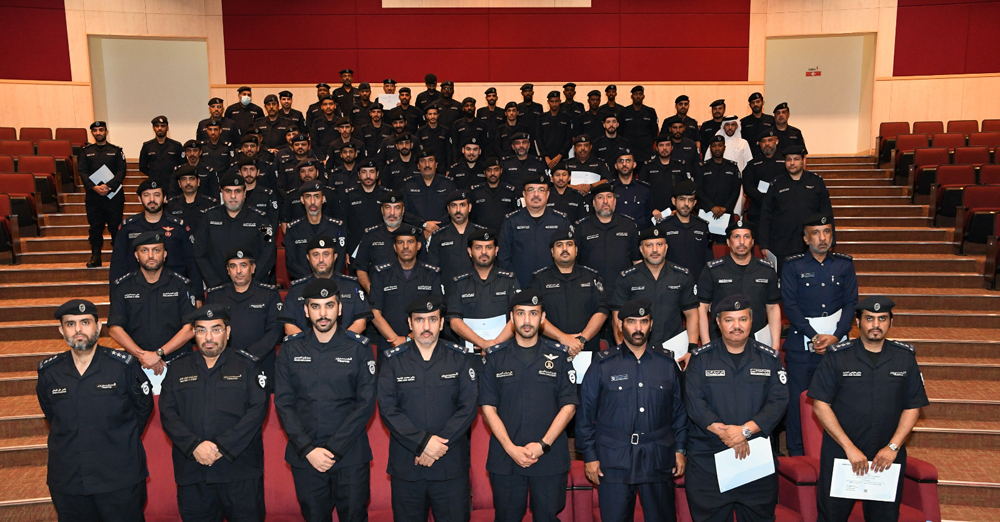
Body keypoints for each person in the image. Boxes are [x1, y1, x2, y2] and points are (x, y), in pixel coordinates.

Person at [808, 296, 929, 522]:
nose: (876, 324)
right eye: (869, 318)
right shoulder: (838, 356)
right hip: (842, 455)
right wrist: (849, 448)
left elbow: (913, 406)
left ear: (891, 322)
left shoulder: (904, 358)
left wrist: (893, 447)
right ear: (858, 322)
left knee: (884, 518)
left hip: (887, 457)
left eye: (882, 319)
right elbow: (820, 405)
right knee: (831, 517)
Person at [38, 299, 153, 522]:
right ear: (61, 331)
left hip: (119, 477)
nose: (78, 329)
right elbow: (52, 414)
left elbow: (143, 409)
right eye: (70, 324)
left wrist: (119, 438)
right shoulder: (49, 372)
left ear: (98, 327)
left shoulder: (123, 366)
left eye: (85, 322)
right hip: (69, 479)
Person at [274, 278, 377, 522]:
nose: (323, 313)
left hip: (350, 455)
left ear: (339, 309)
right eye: (316, 306)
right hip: (306, 457)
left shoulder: (358, 348)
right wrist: (309, 450)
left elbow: (365, 404)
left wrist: (332, 450)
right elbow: (284, 404)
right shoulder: (290, 350)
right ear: (306, 310)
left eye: (329, 305)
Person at [577, 298, 688, 522]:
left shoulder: (667, 363)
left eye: (644, 321)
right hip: (613, 459)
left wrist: (680, 449)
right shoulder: (603, 364)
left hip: (658, 457)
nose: (638, 328)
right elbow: (585, 414)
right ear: (620, 325)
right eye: (631, 322)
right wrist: (589, 456)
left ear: (651, 324)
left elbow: (680, 411)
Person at [159, 304, 269, 522]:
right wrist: (194, 446)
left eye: (216, 329)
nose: (208, 337)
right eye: (201, 330)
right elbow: (167, 413)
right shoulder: (177, 368)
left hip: (239, 472)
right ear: (194, 333)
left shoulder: (247, 366)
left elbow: (257, 412)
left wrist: (222, 446)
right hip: (193, 472)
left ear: (227, 332)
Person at [684, 294, 789, 522]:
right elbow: (694, 402)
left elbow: (778, 401)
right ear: (718, 322)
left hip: (755, 461)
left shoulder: (769, 359)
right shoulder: (700, 359)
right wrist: (727, 433)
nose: (736, 326)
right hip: (708, 462)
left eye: (742, 319)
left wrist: (744, 431)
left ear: (752, 321)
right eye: (729, 320)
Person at [479, 289, 579, 522]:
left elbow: (569, 407)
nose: (526, 320)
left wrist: (542, 445)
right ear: (511, 318)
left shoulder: (560, 356)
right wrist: (511, 448)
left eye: (533, 313)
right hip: (505, 458)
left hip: (549, 458)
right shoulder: (494, 358)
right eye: (520, 313)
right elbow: (487, 409)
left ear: (542, 318)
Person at [378, 296, 480, 522]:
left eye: (432, 319)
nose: (426, 326)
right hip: (407, 467)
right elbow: (388, 409)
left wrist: (437, 446)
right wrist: (423, 443)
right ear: (410, 323)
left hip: (450, 465)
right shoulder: (393, 361)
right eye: (419, 320)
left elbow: (469, 406)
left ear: (442, 323)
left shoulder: (460, 358)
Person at [781, 213, 858, 457]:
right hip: (802, 347)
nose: (822, 238)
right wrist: (814, 336)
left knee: (839, 400)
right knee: (799, 402)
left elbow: (851, 303)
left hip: (837, 346)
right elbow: (790, 305)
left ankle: (837, 452)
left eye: (826, 232)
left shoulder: (844, 264)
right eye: (815, 233)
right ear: (806, 238)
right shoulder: (793, 266)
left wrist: (836, 336)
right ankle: (797, 453)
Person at [108, 231, 197, 392]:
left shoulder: (181, 285)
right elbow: (115, 329)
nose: (150, 255)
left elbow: (190, 328)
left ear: (165, 254)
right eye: (144, 250)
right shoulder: (123, 287)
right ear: (136, 255)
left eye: (156, 250)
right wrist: (144, 356)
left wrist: (158, 354)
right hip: (137, 364)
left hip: (178, 363)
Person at [610, 227, 699, 365]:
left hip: (674, 349)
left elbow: (692, 314)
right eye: (649, 245)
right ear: (641, 249)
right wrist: (625, 353)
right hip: (637, 350)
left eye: (659, 244)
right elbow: (617, 319)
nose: (655, 250)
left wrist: (691, 349)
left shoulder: (682, 276)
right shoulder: (627, 278)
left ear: (666, 247)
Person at [205, 248, 284, 390]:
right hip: (224, 365)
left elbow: (275, 330)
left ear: (252, 268)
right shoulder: (215, 296)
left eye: (243, 265)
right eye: (233, 266)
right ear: (228, 270)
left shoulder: (269, 294)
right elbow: (209, 331)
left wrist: (248, 355)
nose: (238, 271)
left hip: (261, 364)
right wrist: (230, 357)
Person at [696, 219, 781, 346]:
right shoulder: (713, 270)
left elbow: (773, 309)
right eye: (736, 237)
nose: (742, 241)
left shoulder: (766, 270)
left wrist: (775, 345)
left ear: (752, 241)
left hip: (758, 342)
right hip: (720, 342)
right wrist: (706, 344)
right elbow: (702, 308)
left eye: (746, 236)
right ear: (728, 242)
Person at [109, 179, 201, 295]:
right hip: (136, 291)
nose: (152, 199)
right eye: (146, 195)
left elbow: (191, 262)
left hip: (174, 291)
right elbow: (118, 264)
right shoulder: (128, 227)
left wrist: (197, 295)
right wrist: (115, 296)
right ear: (139, 199)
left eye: (157, 195)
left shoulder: (178, 227)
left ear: (164, 198)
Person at [528, 229, 609, 355]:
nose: (564, 249)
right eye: (559, 245)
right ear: (552, 251)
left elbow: (602, 311)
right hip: (549, 349)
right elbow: (533, 313)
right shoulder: (539, 279)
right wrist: (563, 338)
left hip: (585, 349)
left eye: (569, 244)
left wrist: (581, 340)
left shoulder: (591, 276)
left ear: (576, 250)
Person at [369, 226, 444, 353]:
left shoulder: (431, 274)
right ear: (395, 247)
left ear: (418, 246)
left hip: (423, 343)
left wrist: (409, 338)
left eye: (410, 242)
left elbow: (437, 312)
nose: (405, 246)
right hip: (389, 344)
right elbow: (375, 313)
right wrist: (395, 339)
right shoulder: (382, 274)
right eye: (400, 242)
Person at [759, 145, 833, 274]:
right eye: (789, 159)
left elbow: (827, 213)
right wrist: (764, 244)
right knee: (785, 281)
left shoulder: (816, 182)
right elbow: (766, 215)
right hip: (782, 244)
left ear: (803, 160)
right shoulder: (776, 184)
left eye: (796, 159)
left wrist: (831, 241)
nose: (792, 163)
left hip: (811, 245)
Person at [194, 173, 276, 289]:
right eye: (228, 191)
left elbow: (269, 251)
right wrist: (215, 283)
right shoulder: (209, 217)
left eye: (237, 191)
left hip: (253, 288)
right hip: (218, 288)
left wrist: (250, 281)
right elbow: (199, 253)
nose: (233, 196)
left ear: (245, 193)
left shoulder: (260, 219)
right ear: (221, 192)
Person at [445, 229, 518, 352]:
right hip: (469, 353)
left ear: (496, 251)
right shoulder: (459, 283)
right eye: (478, 247)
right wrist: (483, 344)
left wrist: (495, 345)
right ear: (470, 252)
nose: (484, 252)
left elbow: (518, 316)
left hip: (504, 351)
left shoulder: (509, 280)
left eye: (489, 247)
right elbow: (454, 321)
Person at [498, 175, 571, 287]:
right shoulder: (511, 221)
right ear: (524, 194)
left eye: (541, 190)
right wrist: (511, 284)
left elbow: (569, 257)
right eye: (531, 190)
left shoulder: (561, 221)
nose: (536, 194)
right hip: (520, 285)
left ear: (548, 194)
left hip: (554, 286)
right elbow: (503, 258)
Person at [573, 184, 641, 302]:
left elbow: (637, 261)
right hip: (589, 292)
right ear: (593, 203)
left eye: (609, 196)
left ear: (615, 201)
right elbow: (574, 263)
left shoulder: (628, 225)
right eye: (600, 197)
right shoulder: (582, 227)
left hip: (622, 292)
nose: (605, 201)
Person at [79, 121, 126, 268]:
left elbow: (121, 171)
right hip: (94, 197)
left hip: (113, 197)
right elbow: (82, 171)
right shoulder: (86, 152)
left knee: (115, 227)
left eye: (101, 130)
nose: (98, 133)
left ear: (106, 132)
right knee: (95, 227)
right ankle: (96, 256)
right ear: (92, 133)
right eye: (95, 130)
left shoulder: (116, 151)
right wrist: (93, 187)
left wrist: (109, 186)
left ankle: (118, 257)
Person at [283, 180, 347, 280]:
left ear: (323, 199)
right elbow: (291, 263)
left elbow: (340, 259)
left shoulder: (337, 227)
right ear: (302, 200)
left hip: (332, 283)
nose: (312, 202)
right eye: (308, 197)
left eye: (317, 196)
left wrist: (327, 278)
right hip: (303, 283)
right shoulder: (293, 229)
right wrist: (313, 280)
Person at [354, 191, 412, 292]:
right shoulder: (370, 235)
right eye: (388, 207)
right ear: (382, 210)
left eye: (397, 208)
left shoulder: (414, 235)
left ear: (403, 210)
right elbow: (361, 269)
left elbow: (423, 269)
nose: (392, 213)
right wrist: (373, 293)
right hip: (378, 293)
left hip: (408, 294)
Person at [426, 190, 485, 287]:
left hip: (478, 290)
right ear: (448, 209)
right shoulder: (439, 236)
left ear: (469, 207)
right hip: (449, 291)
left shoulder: (480, 234)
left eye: (462, 205)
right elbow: (432, 270)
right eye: (454, 206)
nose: (458, 210)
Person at [657, 180, 713, 281]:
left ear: (695, 203)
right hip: (670, 282)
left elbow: (708, 258)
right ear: (674, 201)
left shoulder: (702, 226)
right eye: (682, 199)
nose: (686, 204)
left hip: (697, 281)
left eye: (690, 200)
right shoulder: (663, 227)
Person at [696, 135, 742, 242]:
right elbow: (698, 190)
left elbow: (736, 190)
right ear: (710, 148)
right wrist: (712, 207)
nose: (717, 148)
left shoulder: (732, 167)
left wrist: (725, 208)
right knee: (704, 244)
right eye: (714, 146)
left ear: (724, 148)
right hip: (707, 213)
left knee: (726, 244)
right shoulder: (702, 167)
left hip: (726, 214)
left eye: (720, 145)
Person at [741, 128, 784, 238]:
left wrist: (775, 198)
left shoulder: (785, 162)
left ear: (776, 141)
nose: (767, 144)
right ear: (759, 144)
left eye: (770, 140)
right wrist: (763, 198)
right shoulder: (753, 164)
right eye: (763, 141)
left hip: (781, 209)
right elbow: (747, 185)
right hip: (758, 210)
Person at [403, 150, 457, 238]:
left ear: (436, 164)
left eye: (430, 160)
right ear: (418, 166)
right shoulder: (409, 185)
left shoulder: (448, 184)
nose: (427, 164)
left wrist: (434, 228)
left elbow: (454, 209)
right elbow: (404, 211)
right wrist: (423, 224)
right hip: (416, 235)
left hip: (444, 233)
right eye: (423, 161)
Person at [341, 159, 390, 254]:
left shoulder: (386, 195)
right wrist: (345, 250)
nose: (368, 176)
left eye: (372, 172)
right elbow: (344, 224)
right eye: (364, 172)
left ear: (377, 174)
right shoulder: (349, 195)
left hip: (382, 246)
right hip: (355, 247)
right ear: (358, 174)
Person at [642, 134, 692, 218]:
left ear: (672, 147)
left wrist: (678, 209)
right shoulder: (648, 166)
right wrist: (652, 209)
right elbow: (642, 191)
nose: (664, 148)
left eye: (667, 145)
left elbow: (687, 189)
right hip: (653, 213)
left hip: (676, 213)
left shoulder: (680, 166)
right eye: (661, 145)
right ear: (656, 148)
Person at [470, 156, 519, 232]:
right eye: (489, 170)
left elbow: (516, 216)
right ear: (484, 172)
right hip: (482, 235)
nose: (492, 173)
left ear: (501, 171)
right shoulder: (476, 192)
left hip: (506, 234)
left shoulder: (510, 191)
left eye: (496, 170)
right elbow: (471, 218)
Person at [165, 164, 217, 231]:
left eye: (191, 179)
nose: (188, 182)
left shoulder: (210, 205)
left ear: (198, 182)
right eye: (184, 179)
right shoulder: (171, 206)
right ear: (179, 183)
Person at [138, 115, 184, 187]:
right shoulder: (147, 146)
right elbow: (142, 166)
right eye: (157, 126)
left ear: (167, 128)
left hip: (172, 184)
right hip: (155, 185)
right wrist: (153, 174)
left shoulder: (176, 146)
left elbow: (183, 165)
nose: (160, 128)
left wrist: (175, 176)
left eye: (163, 126)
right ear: (153, 128)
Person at [611, 151, 653, 227]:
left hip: (639, 232)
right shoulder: (609, 189)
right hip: (615, 232)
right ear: (616, 166)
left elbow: (648, 216)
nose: (624, 164)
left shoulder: (644, 189)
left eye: (628, 161)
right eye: (621, 161)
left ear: (634, 165)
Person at [619, 85, 659, 163]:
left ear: (643, 96)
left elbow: (654, 132)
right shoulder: (624, 112)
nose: (638, 96)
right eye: (635, 94)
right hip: (628, 151)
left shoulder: (650, 112)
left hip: (645, 152)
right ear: (631, 96)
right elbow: (620, 131)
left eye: (640, 94)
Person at [535, 90, 573, 170]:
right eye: (552, 101)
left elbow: (569, 139)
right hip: (546, 159)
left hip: (562, 158)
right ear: (548, 102)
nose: (554, 104)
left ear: (560, 101)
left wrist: (560, 155)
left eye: (556, 101)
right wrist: (545, 156)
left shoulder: (566, 118)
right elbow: (539, 139)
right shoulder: (541, 118)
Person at [450, 97, 489, 163]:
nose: (469, 108)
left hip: (479, 161)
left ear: (475, 108)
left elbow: (485, 145)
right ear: (463, 108)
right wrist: (455, 161)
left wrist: (485, 161)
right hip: (461, 160)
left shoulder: (482, 124)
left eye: (471, 105)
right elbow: (454, 145)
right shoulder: (457, 124)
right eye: (467, 106)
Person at [416, 106, 451, 172]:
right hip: (426, 166)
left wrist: (448, 169)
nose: (432, 116)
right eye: (430, 114)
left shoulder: (445, 130)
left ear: (438, 115)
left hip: (442, 166)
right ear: (426, 116)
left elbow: (449, 151)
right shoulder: (421, 131)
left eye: (435, 114)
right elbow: (418, 151)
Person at [740, 93, 775, 159]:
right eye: (753, 103)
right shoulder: (744, 122)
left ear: (763, 103)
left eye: (758, 101)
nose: (755, 104)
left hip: (767, 156)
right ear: (750, 105)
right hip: (750, 157)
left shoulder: (771, 120)